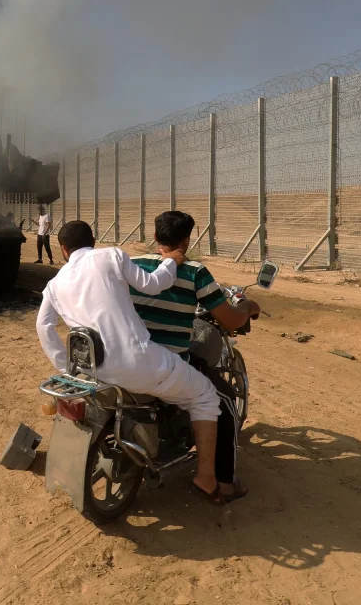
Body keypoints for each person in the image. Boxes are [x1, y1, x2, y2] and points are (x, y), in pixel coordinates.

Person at [35, 219, 226, 502]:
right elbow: (153, 284)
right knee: (206, 395)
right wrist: (170, 260)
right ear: (94, 240)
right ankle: (207, 478)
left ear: (63, 249)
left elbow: (44, 327)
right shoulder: (109, 255)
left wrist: (66, 367)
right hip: (138, 363)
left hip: (93, 371)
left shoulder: (54, 284)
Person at [129, 211, 259, 503]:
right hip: (167, 362)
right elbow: (228, 320)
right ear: (188, 239)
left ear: (154, 237)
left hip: (128, 357)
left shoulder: (132, 265)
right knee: (223, 400)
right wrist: (248, 307)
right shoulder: (194, 271)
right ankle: (222, 483)